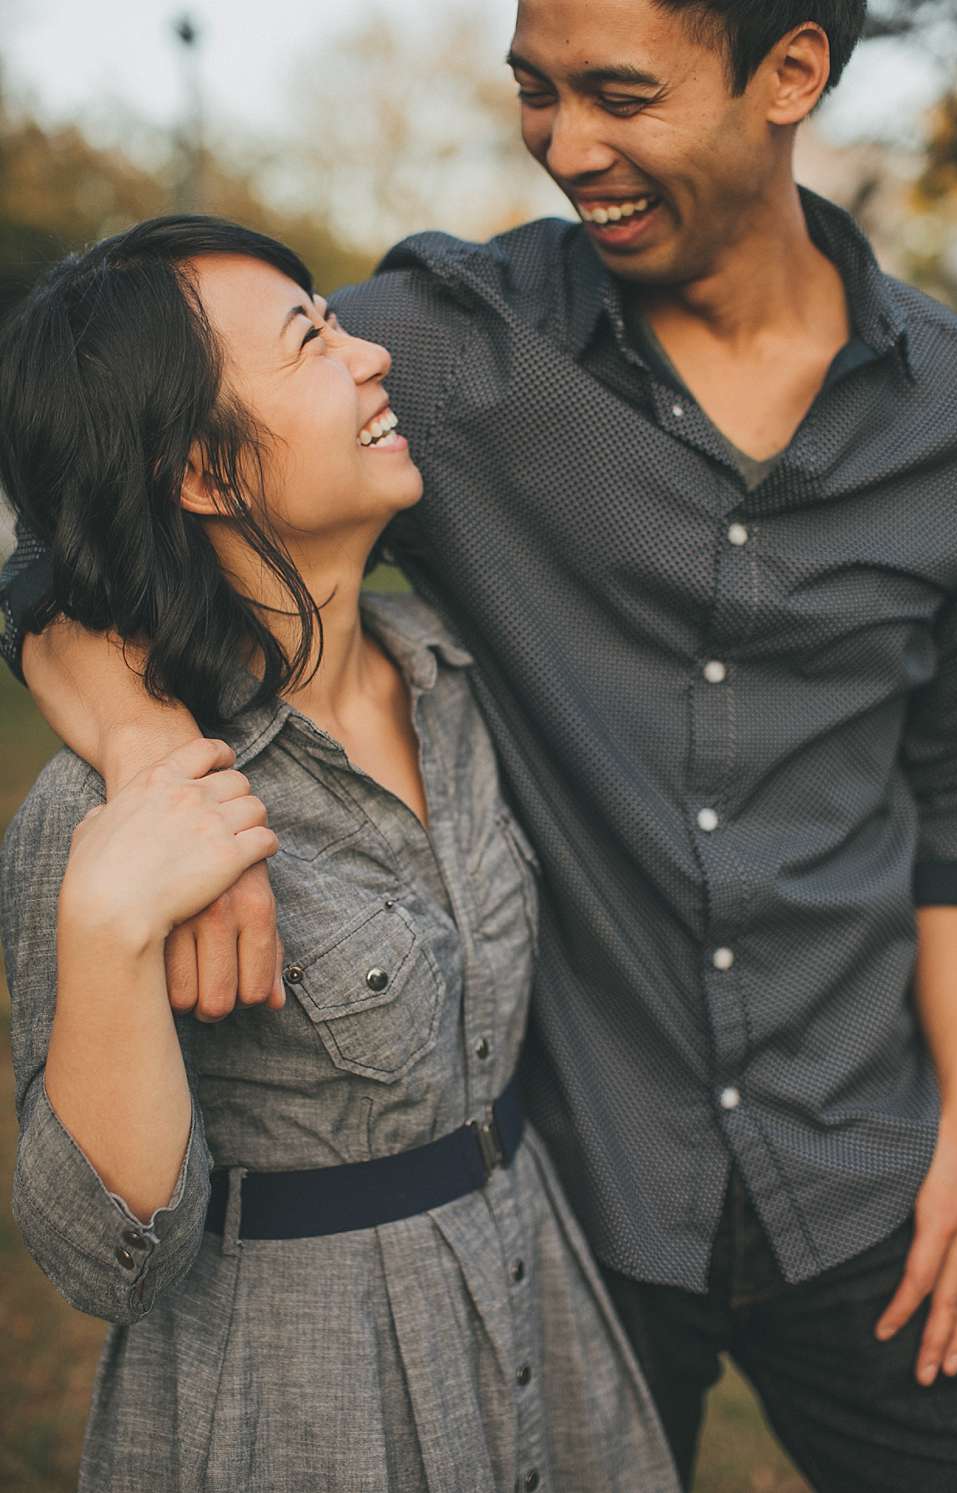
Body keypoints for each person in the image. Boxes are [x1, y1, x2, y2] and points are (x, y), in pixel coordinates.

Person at [0, 2, 957, 1487]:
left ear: (791, 71)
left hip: (872, 1170)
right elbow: (94, 495)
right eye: (537, 90)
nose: (566, 146)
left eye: (619, 94)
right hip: (587, 1201)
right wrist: (155, 767)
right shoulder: (445, 355)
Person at [0, 216, 679, 1490]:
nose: (371, 357)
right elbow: (108, 1264)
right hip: (301, 1396)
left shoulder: (460, 673)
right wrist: (106, 929)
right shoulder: (98, 817)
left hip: (539, 1313)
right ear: (202, 470)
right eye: (311, 340)